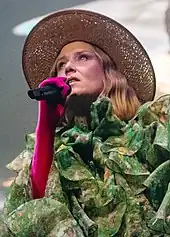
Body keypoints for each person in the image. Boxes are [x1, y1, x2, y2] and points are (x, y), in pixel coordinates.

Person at [1, 9, 170, 236]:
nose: (68, 68)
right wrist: (46, 127)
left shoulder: (151, 125)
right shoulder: (60, 148)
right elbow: (32, 217)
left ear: (109, 71)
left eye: (83, 57)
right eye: (61, 64)